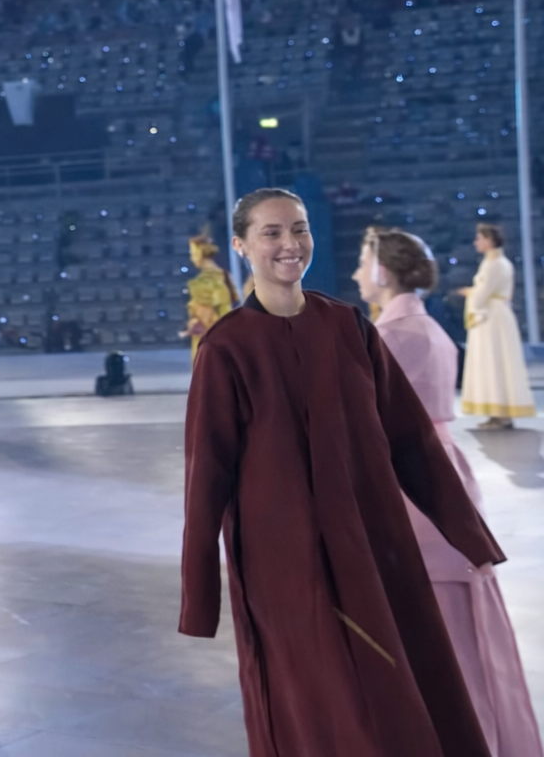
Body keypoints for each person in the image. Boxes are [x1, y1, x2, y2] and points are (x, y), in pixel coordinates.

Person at [181, 187, 504, 757]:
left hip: (373, 542)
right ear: (241, 245)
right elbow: (207, 476)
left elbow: (411, 439)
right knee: (320, 702)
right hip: (286, 565)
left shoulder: (348, 327)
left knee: (401, 690)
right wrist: (200, 596)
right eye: (272, 232)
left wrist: (469, 536)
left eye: (299, 229)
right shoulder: (226, 348)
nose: (290, 243)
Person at [353, 226, 543, 757]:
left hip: (411, 484)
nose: (356, 273)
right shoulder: (426, 327)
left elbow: (369, 425)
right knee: (457, 623)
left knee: (434, 631)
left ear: (382, 270)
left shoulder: (392, 336)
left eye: (363, 262)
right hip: (441, 473)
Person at [460, 222, 537, 429]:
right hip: (495, 316)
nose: (476, 242)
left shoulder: (494, 264)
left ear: (489, 240)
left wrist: (470, 294)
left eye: (479, 238)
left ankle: (500, 414)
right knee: (497, 362)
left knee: (494, 361)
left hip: (491, 318)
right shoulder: (496, 263)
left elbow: (482, 293)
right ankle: (499, 412)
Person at [182, 231, 237, 359]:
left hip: (211, 338)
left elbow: (216, 312)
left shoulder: (204, 282)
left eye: (193, 254)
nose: (192, 259)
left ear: (199, 254)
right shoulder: (225, 276)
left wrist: (196, 323)